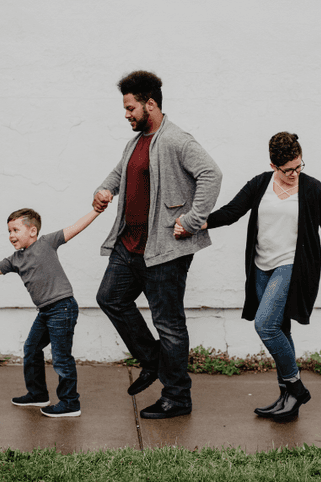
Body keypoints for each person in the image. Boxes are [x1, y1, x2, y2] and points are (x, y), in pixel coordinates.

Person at [176, 132, 321, 421]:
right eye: (288, 170)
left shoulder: (312, 189)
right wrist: (195, 224)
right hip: (261, 266)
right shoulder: (261, 184)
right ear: (274, 165)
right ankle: (287, 399)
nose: (295, 173)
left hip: (292, 266)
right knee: (280, 329)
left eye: (299, 166)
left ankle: (296, 387)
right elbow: (232, 212)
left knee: (265, 326)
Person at [93, 70, 222, 419]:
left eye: (130, 107)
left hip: (164, 250)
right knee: (110, 298)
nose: (126, 114)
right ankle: (152, 362)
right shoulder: (136, 141)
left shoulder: (176, 140)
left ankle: (178, 397)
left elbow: (212, 174)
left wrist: (192, 220)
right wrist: (104, 190)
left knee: (169, 324)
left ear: (150, 104)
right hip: (129, 244)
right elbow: (120, 173)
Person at [0, 207, 99, 418]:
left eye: (16, 230)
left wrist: (96, 211)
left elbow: (75, 227)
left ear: (32, 231)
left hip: (62, 308)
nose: (11, 236)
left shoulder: (47, 242)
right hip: (45, 311)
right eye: (9, 231)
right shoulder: (15, 260)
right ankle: (37, 394)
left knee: (61, 358)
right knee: (32, 348)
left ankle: (70, 402)